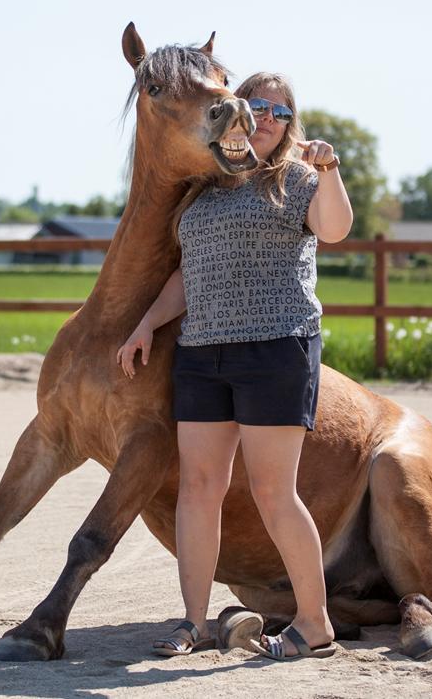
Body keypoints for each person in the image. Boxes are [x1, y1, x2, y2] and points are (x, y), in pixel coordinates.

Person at [116, 72, 354, 660]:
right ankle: (194, 624)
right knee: (199, 488)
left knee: (275, 492)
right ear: (236, 113)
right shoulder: (207, 185)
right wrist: (146, 322)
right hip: (202, 353)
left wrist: (329, 170)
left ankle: (315, 623)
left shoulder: (300, 178)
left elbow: (336, 229)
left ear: (289, 121)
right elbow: (188, 273)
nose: (267, 116)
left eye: (280, 109)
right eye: (256, 106)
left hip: (276, 349)